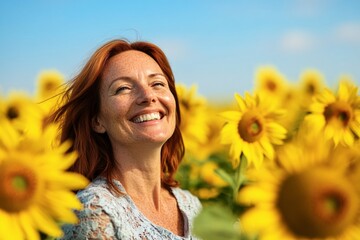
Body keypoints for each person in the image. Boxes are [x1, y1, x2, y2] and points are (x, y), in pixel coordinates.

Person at [50, 39, 202, 239]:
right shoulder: (95, 212)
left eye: (157, 83)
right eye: (123, 88)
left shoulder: (193, 206)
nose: (148, 96)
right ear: (97, 120)